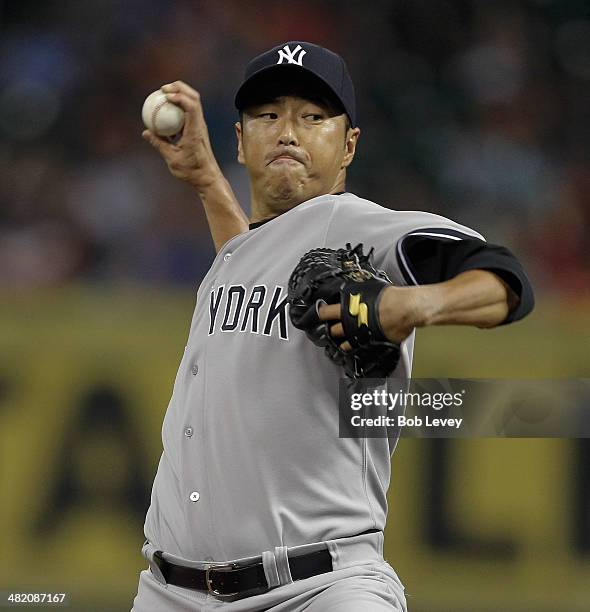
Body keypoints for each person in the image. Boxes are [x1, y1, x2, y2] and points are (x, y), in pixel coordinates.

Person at [132, 41, 534, 611]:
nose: (288, 132)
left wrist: (410, 306)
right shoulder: (240, 253)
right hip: (169, 592)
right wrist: (206, 181)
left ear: (348, 146)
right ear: (241, 142)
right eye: (268, 116)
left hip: (318, 589)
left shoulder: (359, 227)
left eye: (313, 117)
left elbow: (506, 281)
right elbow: (254, 261)